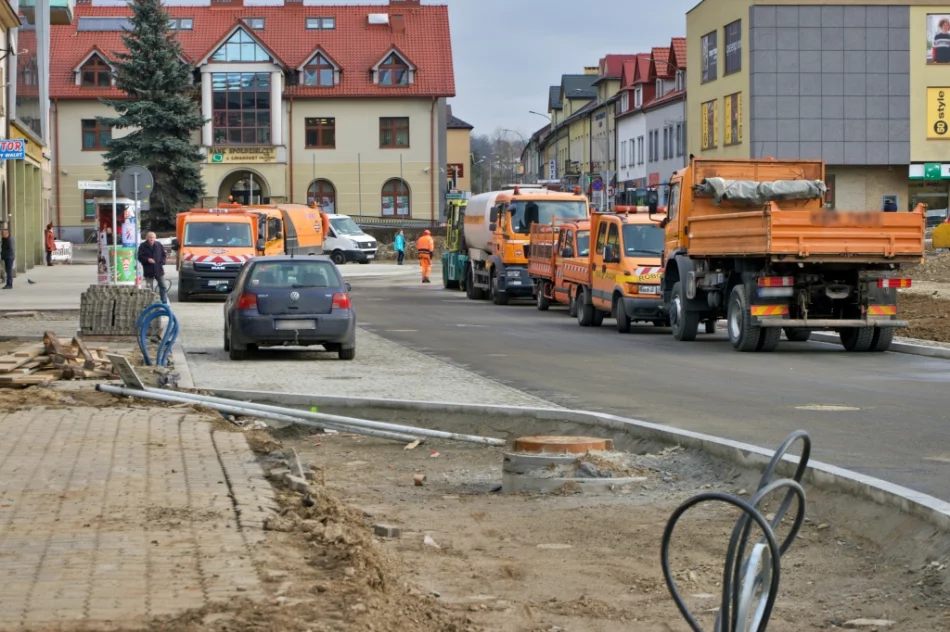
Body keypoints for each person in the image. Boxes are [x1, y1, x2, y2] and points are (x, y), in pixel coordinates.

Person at [138, 231, 168, 303]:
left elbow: (164, 255)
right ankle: (150, 302)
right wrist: (147, 260)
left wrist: (162, 262)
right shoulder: (143, 246)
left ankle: (164, 301)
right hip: (148, 269)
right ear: (147, 238)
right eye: (150, 237)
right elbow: (140, 257)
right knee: (149, 288)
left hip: (158, 269)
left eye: (153, 238)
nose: (152, 239)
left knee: (163, 286)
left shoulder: (158, 245)